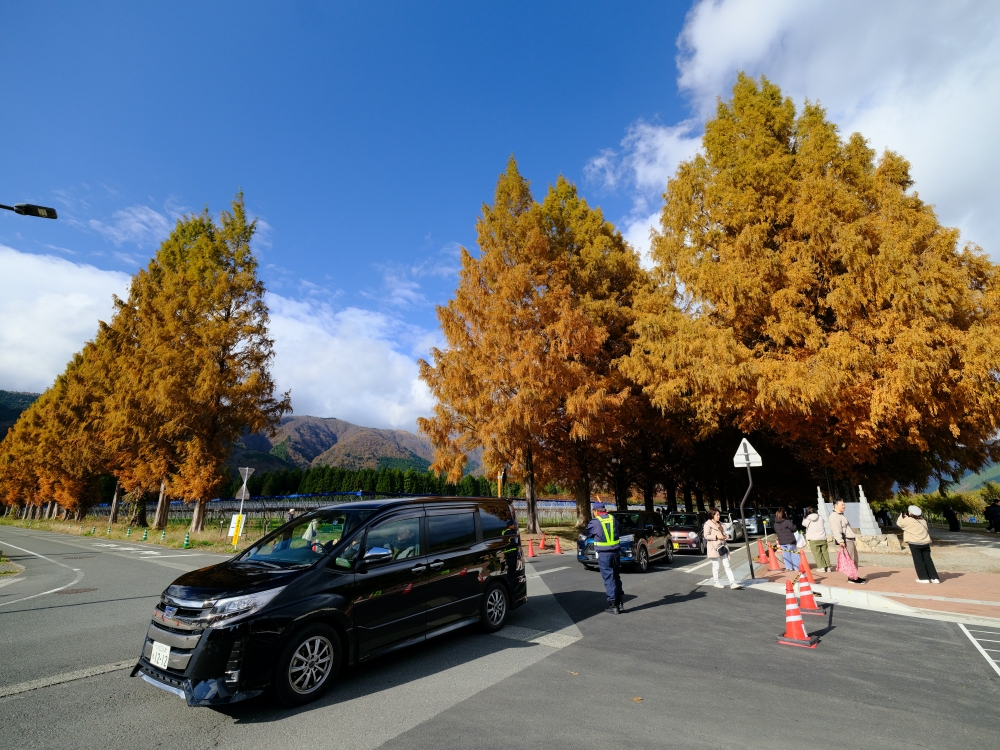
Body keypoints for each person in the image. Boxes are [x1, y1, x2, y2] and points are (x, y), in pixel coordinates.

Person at [587, 502, 624, 614]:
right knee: (616, 577)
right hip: (616, 553)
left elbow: (588, 533)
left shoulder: (595, 522)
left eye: (594, 511)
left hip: (604, 555)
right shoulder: (613, 519)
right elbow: (619, 530)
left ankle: (613, 606)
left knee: (609, 578)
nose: (594, 513)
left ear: (597, 511)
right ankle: (620, 602)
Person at [897, 506, 940, 583]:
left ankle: (924, 578)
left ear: (910, 513)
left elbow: (899, 524)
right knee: (928, 560)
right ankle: (934, 578)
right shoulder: (923, 520)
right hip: (925, 542)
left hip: (914, 543)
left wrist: (901, 516)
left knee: (918, 560)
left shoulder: (908, 520)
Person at [829, 500, 867, 584]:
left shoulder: (840, 515)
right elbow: (836, 529)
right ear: (836, 505)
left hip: (849, 539)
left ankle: (854, 575)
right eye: (842, 505)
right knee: (851, 559)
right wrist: (840, 541)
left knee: (854, 559)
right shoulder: (834, 516)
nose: (844, 506)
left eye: (844, 505)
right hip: (846, 540)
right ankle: (852, 578)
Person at [704, 509, 742, 589]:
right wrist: (717, 537)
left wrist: (726, 536)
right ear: (712, 515)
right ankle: (716, 582)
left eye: (719, 515)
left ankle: (733, 583)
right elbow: (706, 536)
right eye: (717, 515)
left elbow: (723, 534)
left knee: (727, 565)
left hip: (722, 546)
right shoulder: (708, 524)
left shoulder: (721, 524)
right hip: (714, 547)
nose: (719, 516)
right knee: (716, 566)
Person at [801, 506, 831, 572]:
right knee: (825, 552)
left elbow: (803, 524)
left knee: (817, 553)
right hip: (822, 538)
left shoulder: (807, 519)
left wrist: (804, 517)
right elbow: (823, 522)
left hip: (813, 539)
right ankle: (828, 567)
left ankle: (821, 567)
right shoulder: (820, 518)